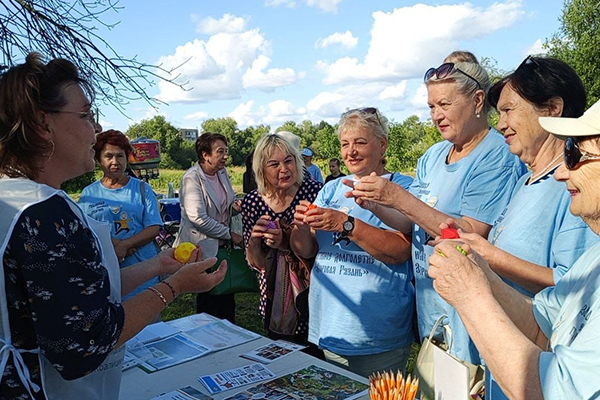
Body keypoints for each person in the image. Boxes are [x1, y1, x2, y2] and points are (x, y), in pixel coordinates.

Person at [0, 52, 226, 400]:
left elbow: (77, 295)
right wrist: (175, 287)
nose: (96, 128)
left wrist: (157, 265)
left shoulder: (14, 199)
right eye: (86, 115)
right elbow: (85, 342)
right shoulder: (44, 214)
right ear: (43, 124)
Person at [347, 51, 526, 365]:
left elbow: (471, 233)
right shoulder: (432, 156)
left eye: (444, 104)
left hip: (471, 313)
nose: (436, 115)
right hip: (432, 308)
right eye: (431, 106)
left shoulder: (496, 155)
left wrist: (398, 197)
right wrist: (376, 204)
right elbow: (410, 221)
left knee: (468, 382)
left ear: (478, 101)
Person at [442, 56, 600, 399]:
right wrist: (477, 269)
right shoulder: (525, 183)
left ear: (553, 108)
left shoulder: (575, 200)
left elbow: (556, 388)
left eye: (576, 156)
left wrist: (473, 288)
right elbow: (545, 323)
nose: (500, 124)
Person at [291, 107, 415, 377]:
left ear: (382, 145)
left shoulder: (402, 187)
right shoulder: (331, 188)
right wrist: (300, 226)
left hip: (376, 331)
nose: (351, 152)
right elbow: (308, 250)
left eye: (360, 142)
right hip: (331, 324)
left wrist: (345, 224)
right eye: (345, 144)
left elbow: (400, 251)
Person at [240, 134, 322, 353]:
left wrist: (285, 242)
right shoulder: (253, 202)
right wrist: (255, 240)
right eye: (274, 164)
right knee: (283, 358)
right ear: (261, 170)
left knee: (316, 358)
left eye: (288, 161)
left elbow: (317, 249)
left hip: (312, 291)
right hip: (275, 296)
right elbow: (257, 265)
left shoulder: (314, 192)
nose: (284, 169)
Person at [79, 129, 163, 300]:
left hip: (144, 273)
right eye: (108, 156)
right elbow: (85, 232)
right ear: (99, 159)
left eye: (120, 156)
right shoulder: (89, 194)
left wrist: (125, 244)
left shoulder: (142, 189)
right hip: (107, 274)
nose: (115, 162)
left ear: (127, 158)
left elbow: (154, 226)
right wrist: (113, 245)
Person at [174, 133, 242, 323]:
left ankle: (229, 333)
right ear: (205, 155)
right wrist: (230, 235)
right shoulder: (192, 178)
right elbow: (198, 218)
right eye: (220, 152)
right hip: (203, 247)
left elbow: (225, 203)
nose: (226, 156)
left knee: (227, 295)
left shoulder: (222, 173)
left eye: (226, 151)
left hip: (223, 248)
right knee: (209, 301)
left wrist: (235, 206)